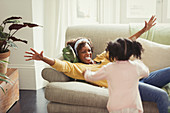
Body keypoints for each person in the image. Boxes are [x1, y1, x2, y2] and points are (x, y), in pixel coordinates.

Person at [24, 15, 169, 113]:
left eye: (88, 51)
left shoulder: (103, 57)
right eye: (83, 52)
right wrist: (43, 58)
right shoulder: (79, 68)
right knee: (161, 96)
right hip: (131, 85)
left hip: (142, 79)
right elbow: (62, 66)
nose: (87, 54)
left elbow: (125, 43)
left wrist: (144, 29)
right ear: (77, 55)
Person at [83, 38, 148, 113]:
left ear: (113, 54)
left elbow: (92, 77)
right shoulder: (136, 66)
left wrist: (86, 73)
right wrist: (138, 62)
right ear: (131, 53)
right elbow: (146, 73)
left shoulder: (109, 68)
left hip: (116, 108)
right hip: (134, 107)